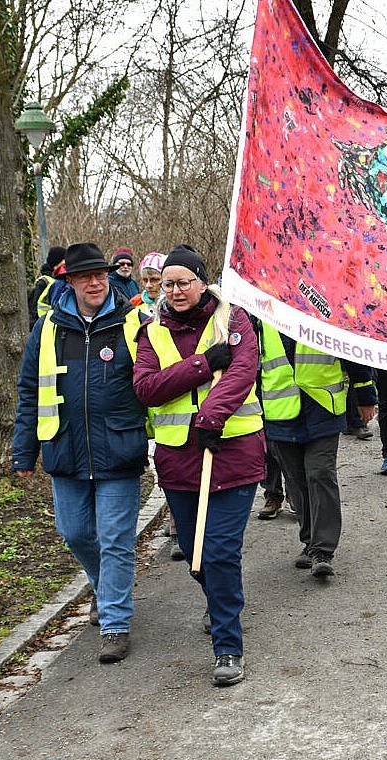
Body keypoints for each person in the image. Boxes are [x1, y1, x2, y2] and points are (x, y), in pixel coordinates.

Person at [133, 244, 264, 687]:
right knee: (195, 555)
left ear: (202, 282)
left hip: (234, 454)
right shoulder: (151, 332)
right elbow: (148, 388)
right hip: (180, 462)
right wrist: (203, 364)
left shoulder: (233, 320)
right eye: (168, 284)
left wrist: (211, 417)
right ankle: (222, 600)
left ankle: (228, 645)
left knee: (221, 550)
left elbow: (242, 372)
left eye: (184, 282)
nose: (175, 291)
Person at [12, 242, 147, 664]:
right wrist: (23, 452)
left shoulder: (133, 322)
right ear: (69, 281)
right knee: (74, 533)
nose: (95, 283)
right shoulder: (48, 328)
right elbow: (30, 391)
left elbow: (156, 381)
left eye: (101, 275)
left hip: (119, 447)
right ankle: (106, 587)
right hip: (65, 447)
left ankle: (114, 624)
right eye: (86, 276)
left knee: (116, 539)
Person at [256, 320, 377, 577]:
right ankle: (309, 541)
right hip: (280, 410)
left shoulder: (323, 306)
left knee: (320, 473)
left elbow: (351, 348)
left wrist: (365, 393)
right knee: (296, 481)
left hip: (322, 406)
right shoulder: (260, 310)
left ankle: (323, 550)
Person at [27, 245, 66, 328]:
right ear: (58, 262)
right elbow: (34, 308)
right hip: (44, 324)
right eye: (64, 260)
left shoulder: (61, 279)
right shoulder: (44, 282)